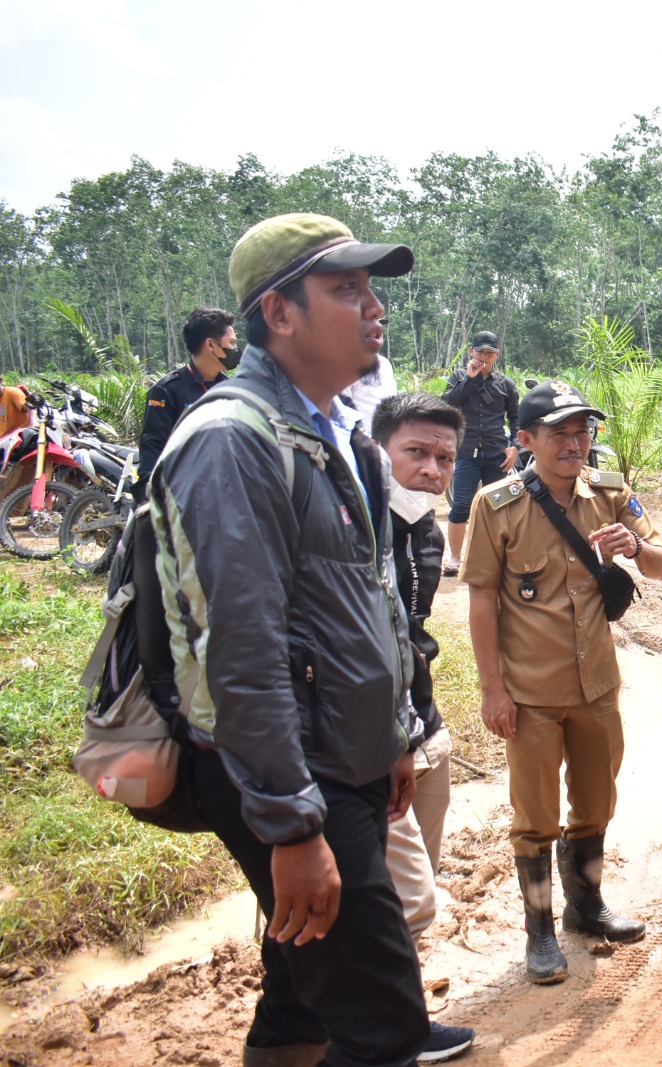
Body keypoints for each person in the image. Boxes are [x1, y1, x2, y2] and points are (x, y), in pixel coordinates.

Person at [149, 212, 442, 1067]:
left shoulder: (328, 429)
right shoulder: (230, 443)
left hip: (339, 760)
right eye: (345, 288)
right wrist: (291, 827)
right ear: (279, 313)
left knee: (300, 987)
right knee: (384, 1023)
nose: (372, 306)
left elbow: (367, 599)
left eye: (371, 287)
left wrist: (388, 737)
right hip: (296, 774)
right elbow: (239, 650)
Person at [461, 380, 662, 984]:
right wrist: (491, 690)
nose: (574, 443)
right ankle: (539, 932)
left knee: (597, 801)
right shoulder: (496, 505)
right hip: (530, 693)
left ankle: (587, 907)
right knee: (535, 816)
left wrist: (634, 545)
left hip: (597, 687)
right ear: (526, 440)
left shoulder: (610, 493)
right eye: (559, 433)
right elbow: (481, 602)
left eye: (583, 432)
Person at [371, 391, 476, 1063]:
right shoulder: (358, 522)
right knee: (395, 893)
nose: (432, 470)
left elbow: (413, 633)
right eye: (415, 452)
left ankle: (398, 1010)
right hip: (371, 737)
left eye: (444, 457)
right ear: (380, 449)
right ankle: (374, 1029)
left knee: (419, 880)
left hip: (421, 728)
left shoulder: (428, 531)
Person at [134, 307, 237, 504]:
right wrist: (152, 497)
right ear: (210, 345)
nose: (236, 350)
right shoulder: (166, 390)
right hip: (183, 495)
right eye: (232, 343)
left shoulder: (230, 389)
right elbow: (153, 446)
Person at [441, 331, 518, 576]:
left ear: (497, 355)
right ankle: (454, 558)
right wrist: (469, 380)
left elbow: (517, 419)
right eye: (480, 351)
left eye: (489, 352)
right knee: (461, 505)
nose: (484, 356)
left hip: (497, 454)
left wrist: (515, 446)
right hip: (466, 453)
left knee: (499, 507)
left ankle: (498, 557)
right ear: (471, 351)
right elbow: (447, 405)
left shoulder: (506, 384)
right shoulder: (459, 377)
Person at [347, 352, 398, 430]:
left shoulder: (385, 364)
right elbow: (344, 410)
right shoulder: (347, 366)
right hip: (361, 435)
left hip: (387, 434)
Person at [0, 371, 33, 438]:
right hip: (4, 442)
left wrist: (33, 422)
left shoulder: (12, 392)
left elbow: (29, 407)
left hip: (22, 436)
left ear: (0, 380)